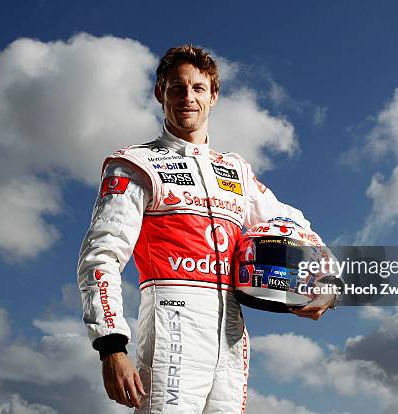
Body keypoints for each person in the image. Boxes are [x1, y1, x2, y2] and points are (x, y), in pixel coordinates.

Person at [77, 45, 331, 413]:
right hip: (171, 322)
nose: (187, 98)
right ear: (159, 94)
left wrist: (325, 288)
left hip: (231, 331)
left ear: (213, 96)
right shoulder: (134, 164)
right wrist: (111, 345)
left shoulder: (236, 171)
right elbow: (100, 256)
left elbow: (294, 226)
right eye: (176, 88)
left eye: (198, 88)